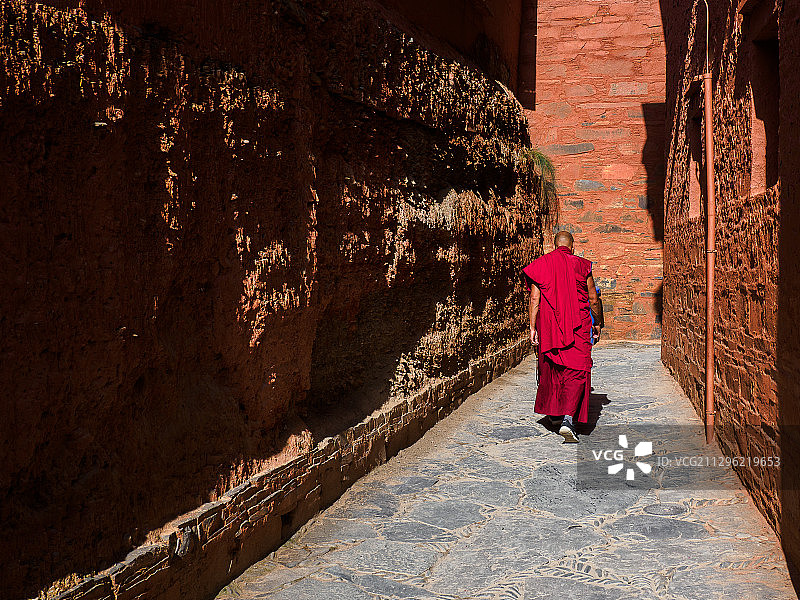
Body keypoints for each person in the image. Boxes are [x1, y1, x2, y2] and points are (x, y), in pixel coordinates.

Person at [521, 231, 602, 443]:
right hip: (578, 327)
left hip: (550, 327)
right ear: (572, 247)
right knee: (577, 369)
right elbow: (593, 298)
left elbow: (534, 298)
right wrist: (598, 322)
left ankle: (555, 415)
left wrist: (532, 327)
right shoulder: (582, 265)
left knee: (552, 367)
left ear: (554, 245)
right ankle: (567, 418)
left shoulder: (541, 264)